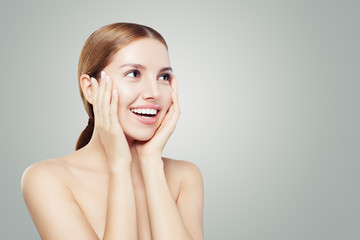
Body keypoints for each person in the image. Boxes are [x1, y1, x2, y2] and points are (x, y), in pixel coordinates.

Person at [21, 22, 204, 240]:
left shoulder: (185, 177)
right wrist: (119, 165)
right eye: (134, 73)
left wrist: (151, 163)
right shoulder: (48, 178)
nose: (154, 92)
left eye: (163, 77)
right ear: (90, 89)